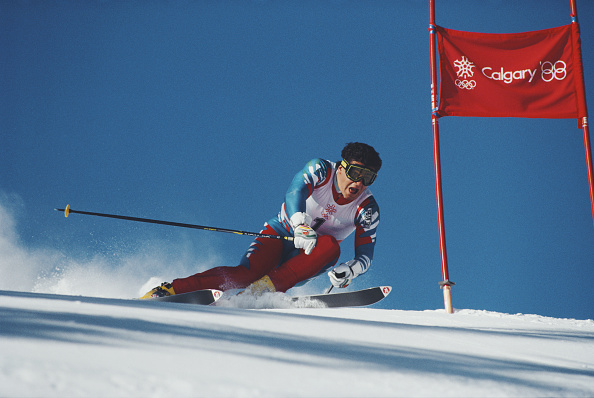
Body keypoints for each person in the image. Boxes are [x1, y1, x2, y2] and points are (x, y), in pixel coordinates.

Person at [141, 142, 381, 299]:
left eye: (367, 178)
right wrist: (299, 224)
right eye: (354, 173)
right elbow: (294, 192)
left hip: (308, 257)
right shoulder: (321, 170)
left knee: (331, 246)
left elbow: (365, 257)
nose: (358, 183)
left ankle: (258, 293)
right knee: (246, 274)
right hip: (282, 232)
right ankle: (170, 290)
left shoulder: (366, 208)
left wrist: (350, 270)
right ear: (341, 168)